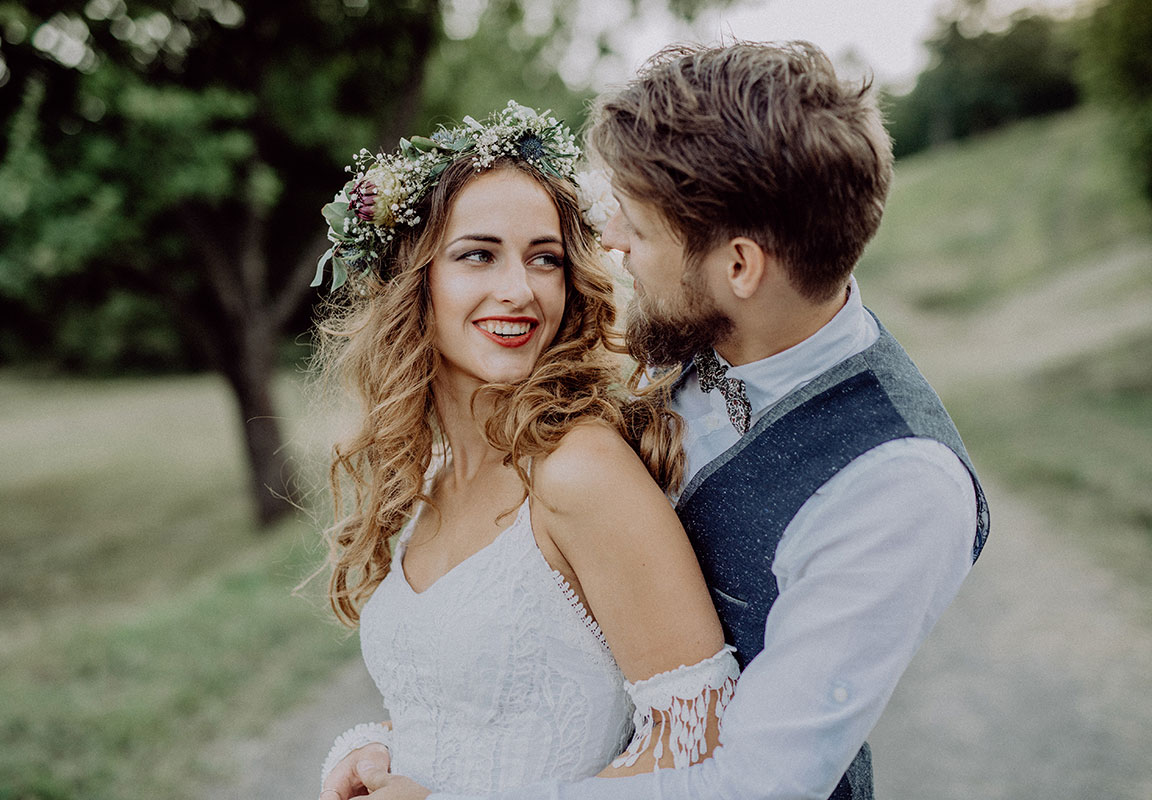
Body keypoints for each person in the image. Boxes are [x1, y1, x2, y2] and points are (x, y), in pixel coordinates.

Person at [359, 41, 990, 800]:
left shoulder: (899, 484)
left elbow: (754, 784)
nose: (610, 243)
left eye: (640, 229)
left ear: (740, 267)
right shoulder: (678, 343)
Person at [308, 102, 740, 800]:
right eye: (478, 254)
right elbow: (476, 707)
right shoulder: (434, 475)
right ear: (413, 280)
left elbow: (701, 741)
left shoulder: (580, 471)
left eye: (545, 258)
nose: (520, 291)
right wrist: (380, 747)